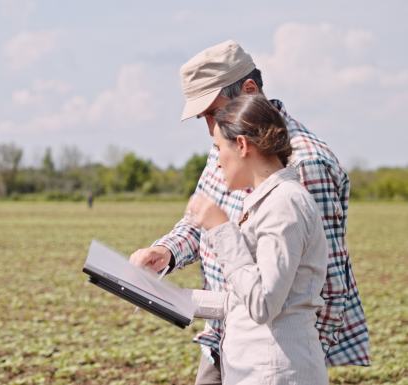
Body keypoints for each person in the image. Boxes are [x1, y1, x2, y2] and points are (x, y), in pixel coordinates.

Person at [129, 40, 370, 384]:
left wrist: (299, 360)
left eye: (213, 112)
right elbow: (200, 222)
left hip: (274, 358)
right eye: (206, 118)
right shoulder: (225, 146)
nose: (211, 128)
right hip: (224, 341)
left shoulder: (306, 165)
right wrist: (164, 253)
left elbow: (328, 286)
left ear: (250, 90)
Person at [187, 94, 328, 384]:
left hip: (275, 371)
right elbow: (249, 295)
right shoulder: (270, 201)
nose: (216, 164)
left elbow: (263, 302)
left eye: (218, 149)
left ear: (241, 145)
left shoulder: (284, 204)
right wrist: (178, 301)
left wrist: (221, 229)